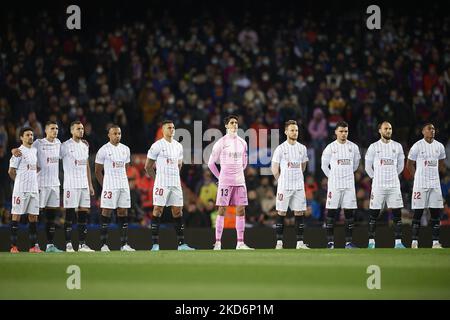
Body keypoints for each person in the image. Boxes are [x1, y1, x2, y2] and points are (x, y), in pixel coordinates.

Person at [12, 121, 64, 252]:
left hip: (52, 185)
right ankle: (14, 246)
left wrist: (83, 144)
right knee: (19, 215)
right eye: (52, 128)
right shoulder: (38, 144)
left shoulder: (58, 143)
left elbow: (69, 149)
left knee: (44, 216)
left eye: (57, 128)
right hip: (37, 185)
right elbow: (17, 155)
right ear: (45, 130)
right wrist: (13, 150)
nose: (55, 131)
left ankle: (46, 245)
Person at [145, 120, 194, 251]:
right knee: (157, 210)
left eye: (173, 127)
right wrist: (157, 179)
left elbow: (179, 165)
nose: (171, 130)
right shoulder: (157, 146)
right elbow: (148, 167)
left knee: (177, 212)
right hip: (161, 183)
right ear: (163, 130)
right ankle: (155, 244)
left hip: (175, 183)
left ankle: (181, 244)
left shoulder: (178, 146)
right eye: (169, 128)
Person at [208, 115, 253, 250]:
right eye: (232, 123)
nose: (235, 125)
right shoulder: (221, 142)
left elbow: (245, 162)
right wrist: (220, 177)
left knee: (241, 210)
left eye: (236, 123)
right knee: (221, 209)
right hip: (225, 182)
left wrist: (239, 172)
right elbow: (210, 163)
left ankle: (240, 243)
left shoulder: (242, 143)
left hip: (240, 181)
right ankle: (218, 242)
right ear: (226, 126)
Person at [365, 121, 406, 249]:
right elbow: (367, 166)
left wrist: (393, 175)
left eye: (390, 128)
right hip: (378, 186)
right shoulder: (373, 147)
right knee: (374, 214)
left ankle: (398, 242)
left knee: (397, 214)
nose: (388, 130)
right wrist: (374, 177)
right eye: (385, 128)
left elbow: (401, 166)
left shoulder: (398, 146)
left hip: (393, 185)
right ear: (380, 131)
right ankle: (371, 242)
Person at [95, 125, 135, 252]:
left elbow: (126, 167)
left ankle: (124, 244)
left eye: (119, 133)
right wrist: (105, 185)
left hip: (123, 185)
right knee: (106, 212)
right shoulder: (103, 150)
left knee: (123, 212)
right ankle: (103, 245)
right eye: (115, 133)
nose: (117, 136)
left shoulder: (126, 149)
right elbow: (97, 171)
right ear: (109, 135)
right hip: (109, 186)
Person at [321, 121, 361, 249]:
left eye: (346, 131)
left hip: (349, 184)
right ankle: (330, 243)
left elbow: (355, 165)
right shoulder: (330, 147)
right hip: (334, 185)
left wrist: (347, 175)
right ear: (336, 132)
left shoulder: (354, 147)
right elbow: (324, 166)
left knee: (349, 213)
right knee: (331, 213)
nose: (344, 134)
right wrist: (332, 177)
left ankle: (348, 242)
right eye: (341, 131)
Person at [406, 123, 446, 249]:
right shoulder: (417, 146)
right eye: (429, 129)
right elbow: (409, 164)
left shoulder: (439, 146)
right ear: (423, 131)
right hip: (420, 185)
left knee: (435, 213)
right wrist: (416, 177)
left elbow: (441, 163)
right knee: (418, 212)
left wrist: (435, 175)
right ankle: (414, 242)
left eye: (433, 128)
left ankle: (435, 242)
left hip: (435, 184)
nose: (432, 130)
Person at [271, 120, 309, 249]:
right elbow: (274, 169)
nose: (295, 132)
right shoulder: (280, 149)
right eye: (292, 130)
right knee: (281, 213)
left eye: (296, 130)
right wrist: (281, 180)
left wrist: (296, 177)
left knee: (299, 213)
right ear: (286, 131)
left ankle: (299, 243)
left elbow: (303, 166)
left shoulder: (302, 148)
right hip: (284, 186)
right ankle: (279, 243)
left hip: (298, 186)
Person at [61, 121, 95, 252]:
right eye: (78, 129)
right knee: (69, 215)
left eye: (82, 128)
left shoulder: (85, 146)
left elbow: (86, 165)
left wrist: (90, 185)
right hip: (71, 185)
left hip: (84, 185)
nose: (81, 131)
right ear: (71, 131)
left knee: (83, 215)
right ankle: (68, 244)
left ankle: (82, 244)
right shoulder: (64, 146)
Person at [8, 127, 41, 253]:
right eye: (27, 135)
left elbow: (35, 168)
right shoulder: (18, 152)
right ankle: (13, 247)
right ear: (21, 137)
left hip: (33, 189)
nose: (30, 137)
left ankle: (33, 247)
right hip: (20, 190)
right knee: (16, 216)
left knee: (33, 217)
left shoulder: (34, 151)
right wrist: (19, 181)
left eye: (32, 134)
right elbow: (11, 171)